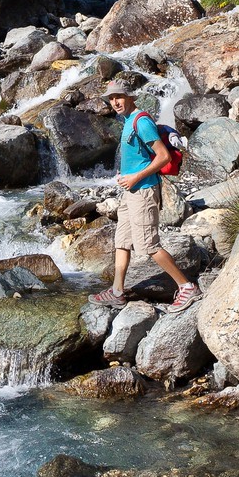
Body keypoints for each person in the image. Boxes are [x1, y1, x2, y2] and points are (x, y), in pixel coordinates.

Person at [89, 73, 201, 314]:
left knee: (149, 245)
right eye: (111, 99)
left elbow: (164, 157)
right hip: (130, 192)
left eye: (119, 97)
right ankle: (117, 292)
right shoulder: (128, 120)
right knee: (122, 242)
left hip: (144, 192)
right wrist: (125, 175)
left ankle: (187, 287)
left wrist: (136, 177)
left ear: (130, 97)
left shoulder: (141, 121)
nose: (115, 102)